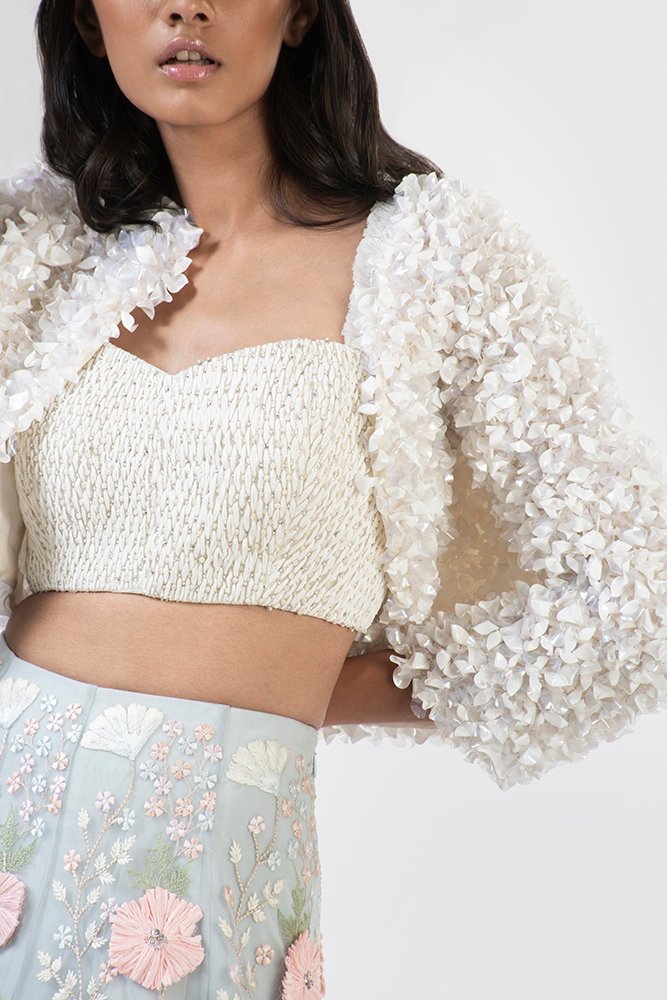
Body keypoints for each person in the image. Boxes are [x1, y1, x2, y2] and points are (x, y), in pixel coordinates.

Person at [1, 0, 666, 998]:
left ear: (303, 12)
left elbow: (633, 599)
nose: (186, 7)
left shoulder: (435, 258)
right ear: (91, 24)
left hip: (213, 858)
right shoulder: (36, 247)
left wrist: (289, 690)